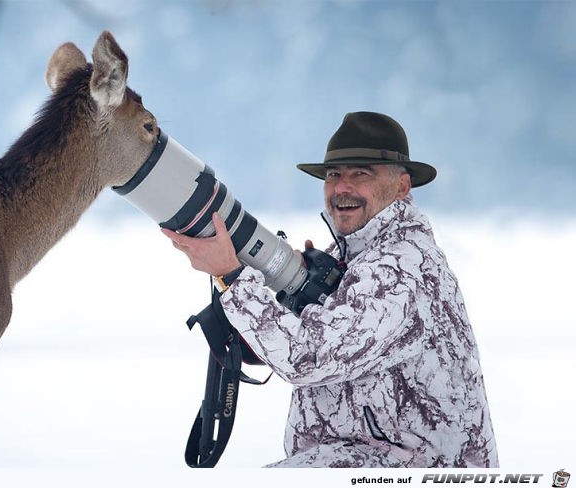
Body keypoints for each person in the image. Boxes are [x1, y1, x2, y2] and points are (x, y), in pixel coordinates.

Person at [162, 111, 499, 468]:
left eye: (360, 174)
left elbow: (307, 358)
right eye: (333, 175)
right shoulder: (355, 255)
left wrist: (232, 276)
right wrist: (286, 295)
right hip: (361, 461)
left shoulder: (402, 268)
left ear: (402, 187)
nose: (341, 187)